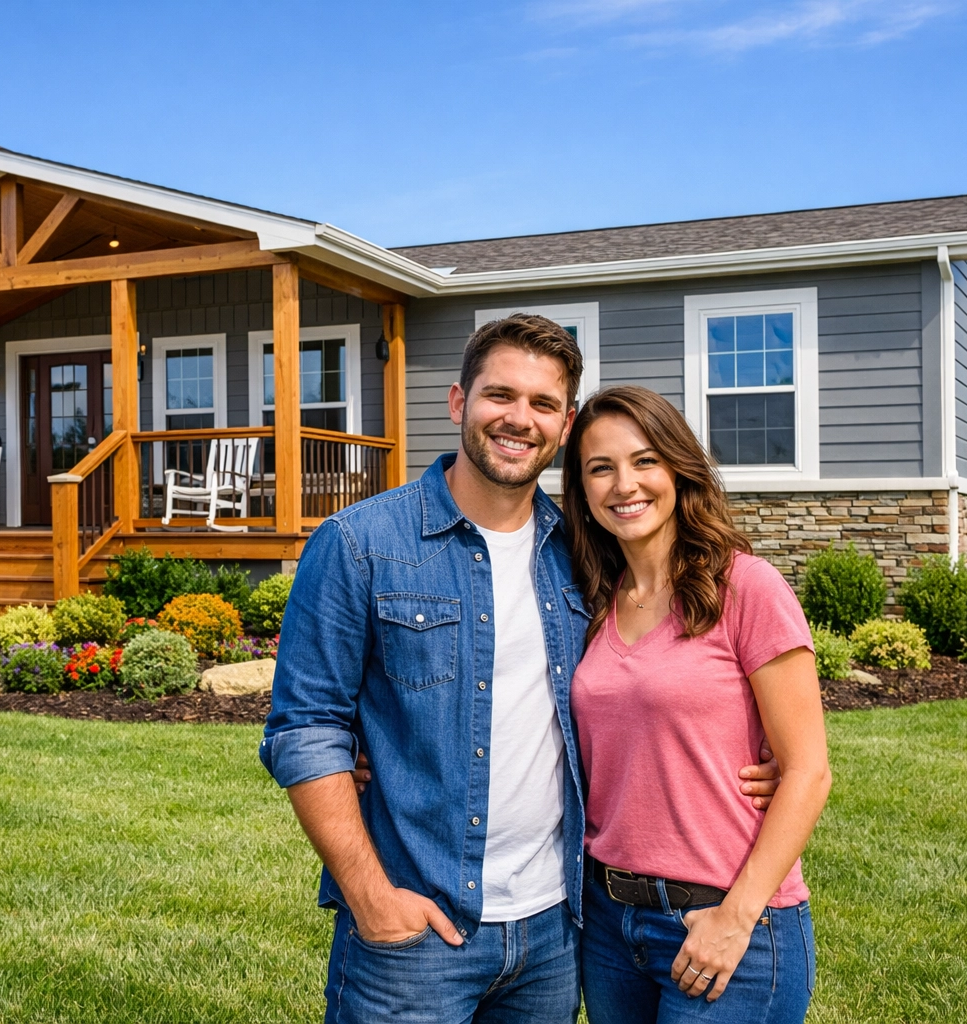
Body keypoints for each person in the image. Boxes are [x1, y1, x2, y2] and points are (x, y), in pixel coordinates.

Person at [260, 315, 783, 1024]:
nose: (519, 419)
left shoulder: (584, 555)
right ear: (457, 403)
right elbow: (305, 729)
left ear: (564, 425)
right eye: (499, 395)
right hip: (416, 930)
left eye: (542, 404)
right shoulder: (360, 545)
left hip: (555, 933)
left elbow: (642, 688)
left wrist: (751, 754)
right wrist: (368, 895)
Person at [565, 385, 831, 1024]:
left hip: (726, 917)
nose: (623, 483)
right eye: (601, 468)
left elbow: (807, 771)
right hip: (608, 924)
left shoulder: (747, 587)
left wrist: (735, 919)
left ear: (679, 469)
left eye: (644, 460)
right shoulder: (591, 600)